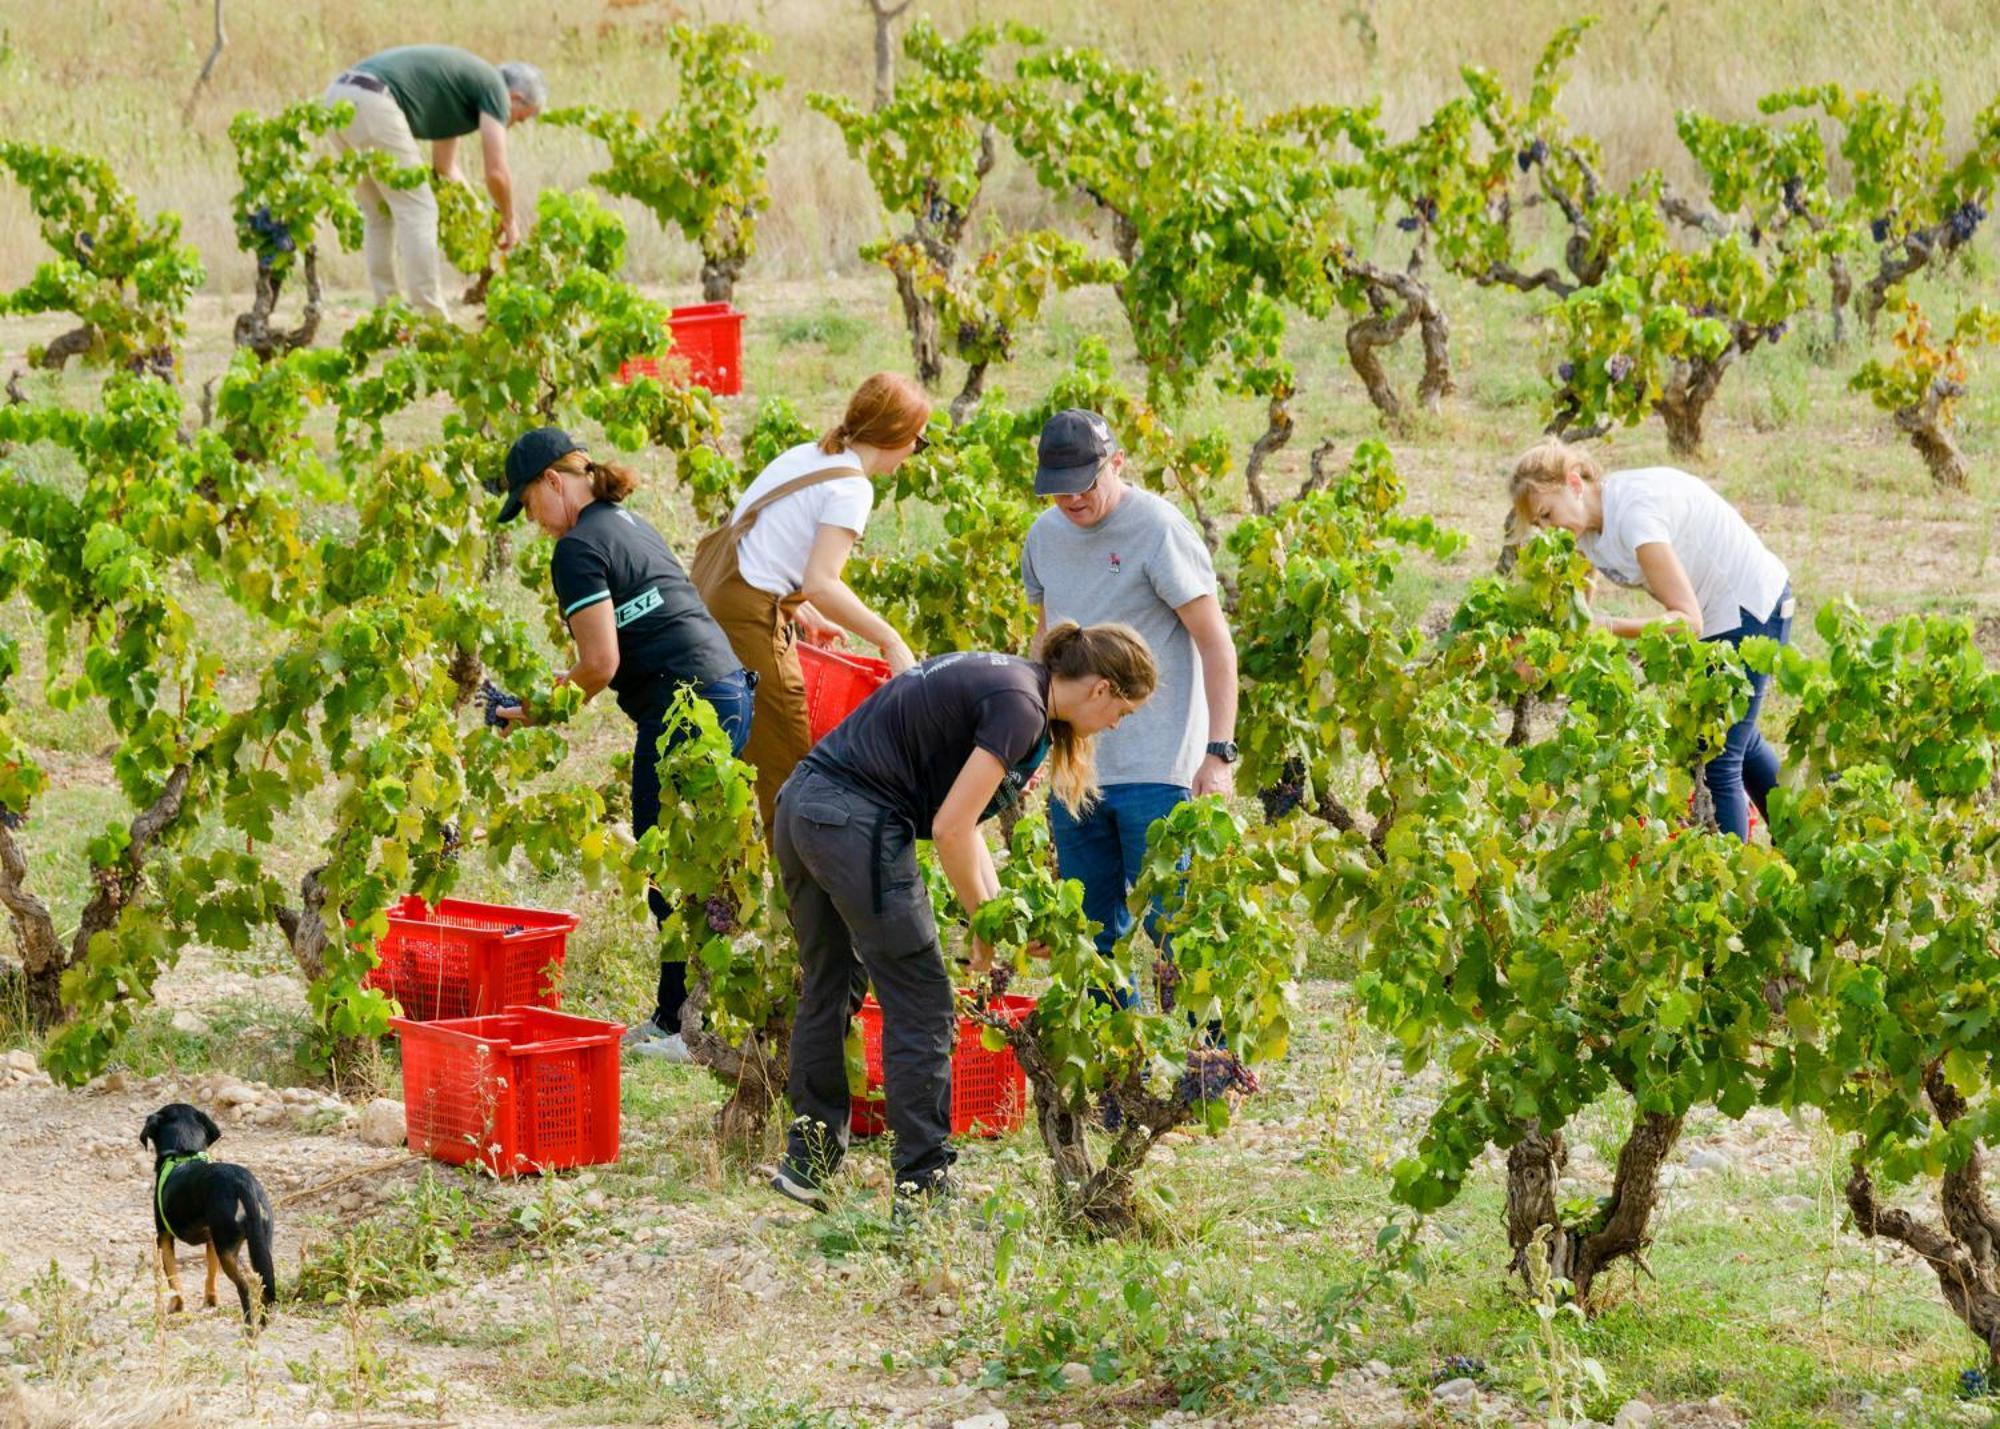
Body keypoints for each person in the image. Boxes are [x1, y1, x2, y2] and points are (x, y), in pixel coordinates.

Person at [768, 625, 1158, 1215]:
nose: (1116, 726)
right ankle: (923, 1188)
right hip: (853, 822)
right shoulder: (1022, 708)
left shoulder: (1013, 682)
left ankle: (808, 1163)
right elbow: (950, 827)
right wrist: (985, 924)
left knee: (831, 982)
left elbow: (967, 827)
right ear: (1101, 689)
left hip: (803, 806)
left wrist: (995, 923)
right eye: (1124, 713)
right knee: (922, 1000)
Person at [493, 427, 755, 1063]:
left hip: (684, 707)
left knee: (670, 862)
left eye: (528, 505)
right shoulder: (623, 521)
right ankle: (687, 1015)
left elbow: (600, 663)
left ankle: (687, 1025)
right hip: (724, 694)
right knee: (692, 862)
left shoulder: (577, 547)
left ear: (553, 482)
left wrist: (525, 714)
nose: (534, 522)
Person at [1020, 410, 1240, 987]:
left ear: (1116, 464)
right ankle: (1115, 1071)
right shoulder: (1043, 537)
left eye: (1084, 484)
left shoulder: (1159, 529)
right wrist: (1032, 746)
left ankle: (1206, 1063)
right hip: (1078, 768)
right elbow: (1043, 645)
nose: (1070, 499)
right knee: (1089, 931)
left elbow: (1216, 644)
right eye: (1056, 488)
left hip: (1159, 763)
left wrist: (1218, 753)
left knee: (1176, 927)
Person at [1508, 437, 1794, 840]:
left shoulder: (1634, 516)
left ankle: (1730, 896)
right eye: (1540, 524)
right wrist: (1540, 649)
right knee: (1740, 744)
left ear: (1574, 483)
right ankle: (1801, 843)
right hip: (1717, 616)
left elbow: (1686, 622)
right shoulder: (1584, 529)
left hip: (1750, 609)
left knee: (1718, 760)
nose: (1549, 529)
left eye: (1547, 514)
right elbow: (1576, 613)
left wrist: (1608, 627)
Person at [693, 373, 928, 835]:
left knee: (740, 741)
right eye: (918, 442)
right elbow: (822, 581)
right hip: (745, 615)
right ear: (898, 435)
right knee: (788, 761)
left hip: (712, 593)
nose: (915, 452)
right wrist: (891, 639)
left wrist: (799, 608)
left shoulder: (811, 455)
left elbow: (766, 541)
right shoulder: (853, 488)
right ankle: (796, 895)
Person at [324, 46, 546, 319]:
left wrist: (479, 212)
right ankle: (431, 316)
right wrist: (509, 220)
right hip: (374, 101)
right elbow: (497, 172)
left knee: (379, 213)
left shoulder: (463, 89)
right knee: (418, 209)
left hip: (337, 97)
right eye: (520, 118)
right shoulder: (495, 90)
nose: (512, 124)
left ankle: (388, 313)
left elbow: (444, 167)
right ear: (516, 97)